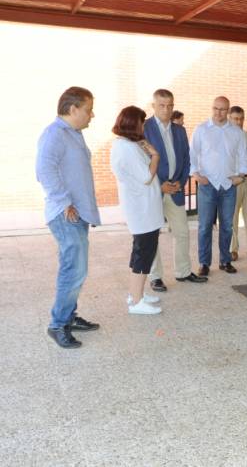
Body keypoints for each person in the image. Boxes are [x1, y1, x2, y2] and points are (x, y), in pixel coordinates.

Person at [36, 86, 101, 348]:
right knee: (74, 270)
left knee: (75, 268)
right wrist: (64, 202)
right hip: (65, 214)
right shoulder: (54, 134)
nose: (92, 115)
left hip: (77, 212)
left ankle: (69, 316)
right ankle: (58, 324)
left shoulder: (73, 134)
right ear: (73, 109)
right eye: (88, 109)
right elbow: (44, 170)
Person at [145, 89, 207, 292]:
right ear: (153, 106)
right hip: (154, 190)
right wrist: (159, 184)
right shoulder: (144, 128)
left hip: (176, 190)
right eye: (161, 105)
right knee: (152, 235)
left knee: (182, 232)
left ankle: (183, 272)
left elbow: (186, 159)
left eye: (170, 105)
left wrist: (180, 182)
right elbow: (142, 162)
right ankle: (155, 277)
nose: (166, 109)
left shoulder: (180, 130)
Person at [110, 106, 164, 316]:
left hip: (144, 208)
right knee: (144, 253)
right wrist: (155, 155)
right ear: (133, 124)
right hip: (142, 210)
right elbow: (146, 177)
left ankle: (136, 292)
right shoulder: (127, 148)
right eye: (141, 123)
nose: (143, 127)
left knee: (142, 251)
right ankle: (136, 301)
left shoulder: (127, 144)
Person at [190, 96, 247, 275]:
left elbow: (243, 156)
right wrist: (197, 175)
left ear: (228, 111)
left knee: (227, 226)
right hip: (207, 185)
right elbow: (192, 154)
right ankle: (204, 263)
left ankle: (225, 261)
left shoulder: (237, 132)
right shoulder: (201, 129)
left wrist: (241, 176)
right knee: (204, 226)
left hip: (228, 186)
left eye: (223, 109)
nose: (218, 112)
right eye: (215, 108)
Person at [228, 106, 247, 261]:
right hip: (232, 181)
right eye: (236, 119)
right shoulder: (224, 137)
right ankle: (233, 249)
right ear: (230, 119)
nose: (239, 122)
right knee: (232, 216)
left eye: (241, 118)